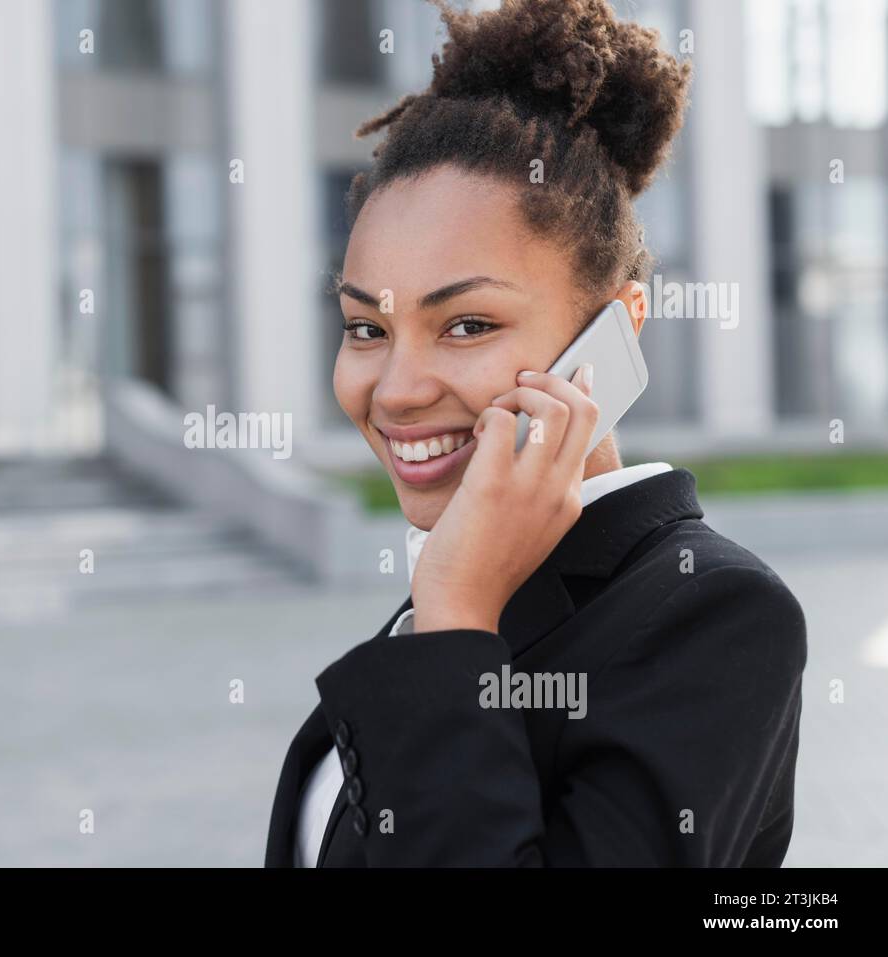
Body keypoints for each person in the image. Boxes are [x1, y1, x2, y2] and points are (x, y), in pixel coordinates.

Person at [264, 0, 807, 867]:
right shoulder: (474, 573)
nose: (397, 390)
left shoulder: (714, 611)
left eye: (469, 324)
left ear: (617, 332)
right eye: (366, 327)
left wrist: (455, 618)